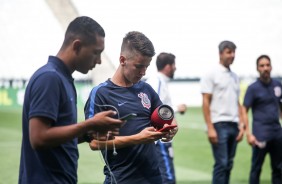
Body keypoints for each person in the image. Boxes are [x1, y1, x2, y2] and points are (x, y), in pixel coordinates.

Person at [18, 16, 124, 184]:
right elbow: (38, 138)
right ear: (77, 46)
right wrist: (90, 124)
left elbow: (58, 138)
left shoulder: (63, 79)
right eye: (96, 52)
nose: (99, 61)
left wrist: (88, 135)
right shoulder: (50, 78)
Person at [84, 31, 178, 184]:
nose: (143, 72)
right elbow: (94, 143)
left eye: (146, 67)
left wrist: (171, 129)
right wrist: (137, 139)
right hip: (122, 179)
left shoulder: (146, 89)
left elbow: (167, 117)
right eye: (139, 66)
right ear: (123, 60)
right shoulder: (101, 94)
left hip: (154, 177)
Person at [200, 40, 244, 184]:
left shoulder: (235, 76)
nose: (232, 55)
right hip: (219, 124)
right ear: (220, 54)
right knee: (222, 164)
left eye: (233, 52)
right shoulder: (211, 74)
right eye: (229, 52)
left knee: (229, 164)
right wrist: (210, 128)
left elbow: (237, 102)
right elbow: (206, 101)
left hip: (234, 124)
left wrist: (242, 125)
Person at [146, 52, 187, 184]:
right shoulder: (157, 81)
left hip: (161, 138)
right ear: (168, 66)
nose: (175, 68)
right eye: (174, 64)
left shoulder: (160, 81)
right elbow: (152, 107)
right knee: (168, 178)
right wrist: (175, 109)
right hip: (160, 139)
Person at [242, 55, 282, 184]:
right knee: (256, 169)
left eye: (267, 65)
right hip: (260, 135)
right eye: (262, 66)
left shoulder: (278, 85)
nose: (265, 68)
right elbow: (244, 110)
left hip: (277, 134)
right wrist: (248, 133)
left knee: (278, 168)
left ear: (271, 67)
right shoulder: (253, 88)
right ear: (257, 68)